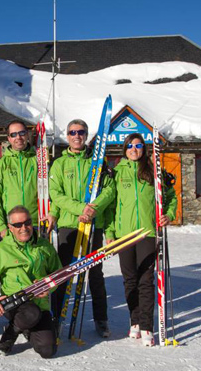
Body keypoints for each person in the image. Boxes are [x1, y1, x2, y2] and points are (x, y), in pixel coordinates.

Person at [95, 133, 177, 346]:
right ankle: (135, 321)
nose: (134, 149)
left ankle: (147, 325)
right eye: (130, 146)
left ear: (144, 149)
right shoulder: (117, 172)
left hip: (147, 232)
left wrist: (169, 213)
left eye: (138, 145)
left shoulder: (153, 172)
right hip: (124, 234)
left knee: (145, 280)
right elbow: (111, 205)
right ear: (124, 149)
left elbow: (170, 197)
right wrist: (110, 234)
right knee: (130, 279)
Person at [48, 119, 113, 338]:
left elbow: (109, 190)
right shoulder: (59, 164)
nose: (77, 136)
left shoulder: (97, 161)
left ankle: (101, 319)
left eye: (81, 132)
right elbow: (56, 195)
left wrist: (93, 209)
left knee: (95, 273)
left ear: (86, 135)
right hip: (69, 224)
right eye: (73, 132)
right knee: (64, 273)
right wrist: (80, 209)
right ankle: (57, 318)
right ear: (67, 136)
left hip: (93, 224)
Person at [0, 206, 61, 358]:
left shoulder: (44, 246)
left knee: (47, 350)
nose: (23, 228)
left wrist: (49, 287)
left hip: (40, 304)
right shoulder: (2, 250)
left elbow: (57, 273)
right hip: (14, 304)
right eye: (18, 225)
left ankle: (23, 327)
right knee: (31, 313)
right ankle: (10, 333)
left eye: (27, 222)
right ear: (10, 228)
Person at [0, 120, 46, 238]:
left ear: (27, 135)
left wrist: (51, 215)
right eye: (13, 134)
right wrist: (1, 227)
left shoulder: (39, 160)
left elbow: (52, 191)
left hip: (35, 224)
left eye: (22, 133)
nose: (18, 137)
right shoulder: (2, 164)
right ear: (9, 138)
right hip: (12, 226)